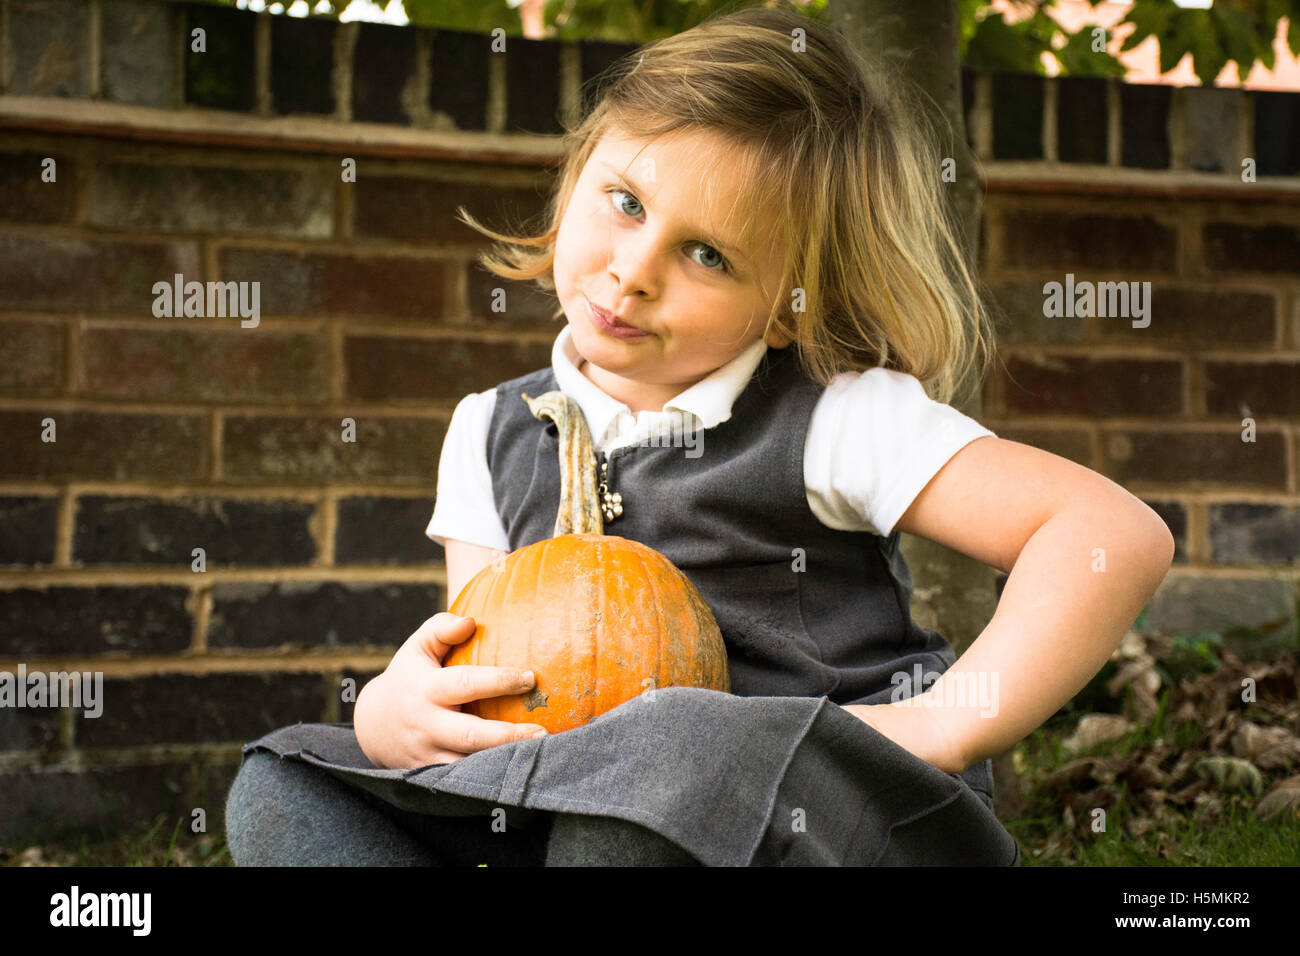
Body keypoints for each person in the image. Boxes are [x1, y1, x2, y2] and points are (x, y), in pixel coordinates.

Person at [224, 3, 1174, 866]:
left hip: (822, 820)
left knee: (658, 764)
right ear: (574, 177)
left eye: (708, 253)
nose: (633, 270)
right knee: (283, 784)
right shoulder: (488, 431)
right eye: (626, 202)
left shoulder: (833, 414)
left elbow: (1108, 534)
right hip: (585, 805)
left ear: (790, 310)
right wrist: (399, 710)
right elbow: (483, 661)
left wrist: (942, 726)